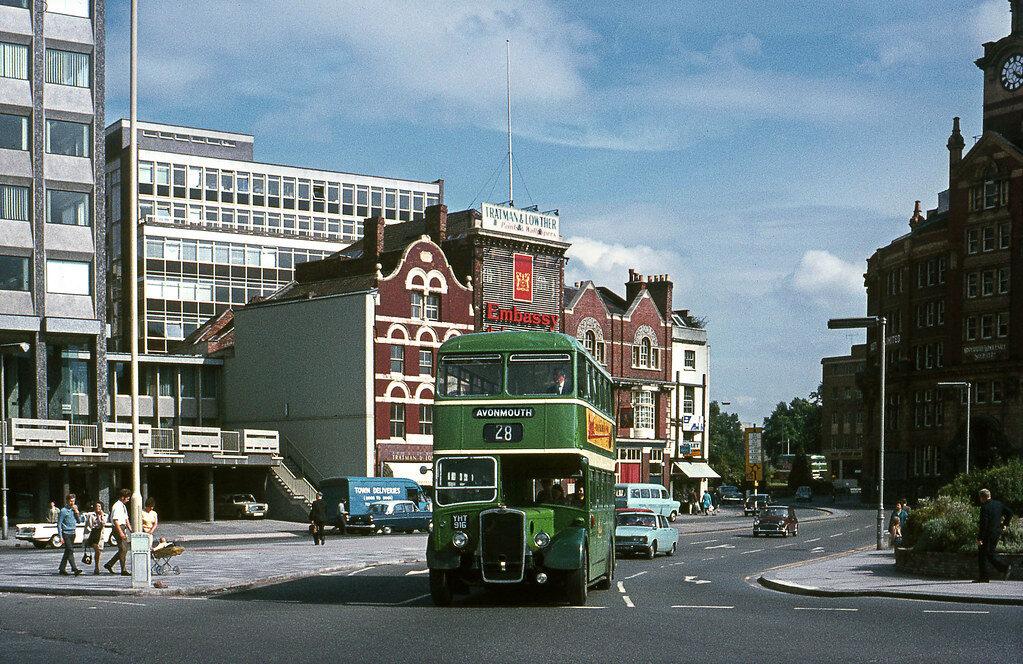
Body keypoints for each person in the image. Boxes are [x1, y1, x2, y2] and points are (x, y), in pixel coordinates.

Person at [975, 488, 1015, 583]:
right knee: (989, 554)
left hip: (987, 534)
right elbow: (1010, 513)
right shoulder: (998, 504)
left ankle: (985, 577)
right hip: (996, 533)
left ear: (982, 497)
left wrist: (979, 538)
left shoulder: (984, 507)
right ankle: (1003, 569)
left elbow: (984, 524)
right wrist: (1005, 524)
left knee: (982, 555)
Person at [104, 489, 131, 575]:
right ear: (123, 497)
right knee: (123, 548)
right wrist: (120, 532)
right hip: (118, 528)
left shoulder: (123, 506)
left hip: (123, 527)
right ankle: (123, 570)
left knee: (124, 549)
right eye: (127, 498)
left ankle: (109, 564)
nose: (128, 500)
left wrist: (130, 529)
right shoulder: (117, 506)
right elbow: (115, 520)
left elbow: (126, 518)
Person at [56, 494, 83, 576]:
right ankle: (74, 569)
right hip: (66, 533)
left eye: (73, 501)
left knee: (67, 551)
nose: (72, 503)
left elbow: (79, 521)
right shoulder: (63, 511)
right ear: (67, 501)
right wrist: (60, 536)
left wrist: (77, 512)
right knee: (70, 550)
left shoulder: (74, 510)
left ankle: (62, 568)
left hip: (73, 533)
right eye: (71, 501)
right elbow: (59, 524)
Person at [84, 501, 106, 575]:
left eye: (99, 506)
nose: (98, 508)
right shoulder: (91, 515)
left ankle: (97, 566)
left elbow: (103, 525)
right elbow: (88, 526)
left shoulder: (104, 515)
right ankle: (96, 567)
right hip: (92, 534)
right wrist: (85, 537)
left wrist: (100, 517)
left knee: (98, 551)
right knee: (97, 550)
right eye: (96, 506)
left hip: (99, 534)